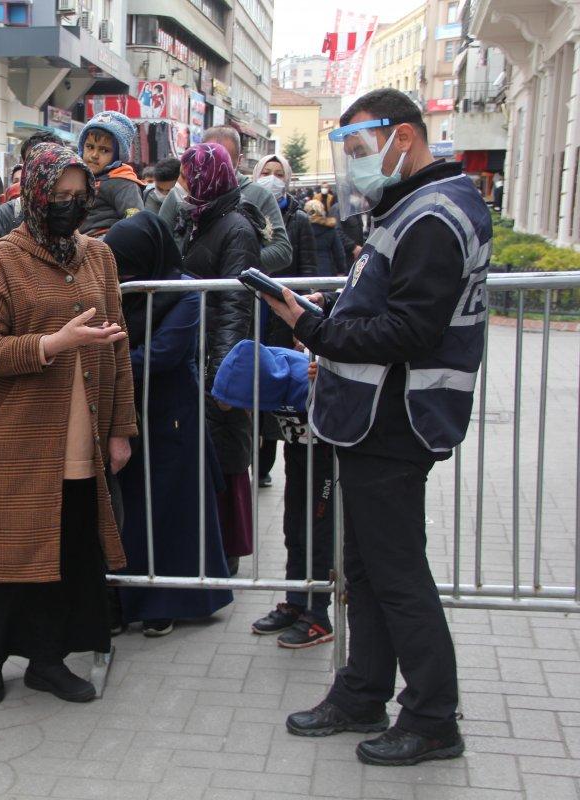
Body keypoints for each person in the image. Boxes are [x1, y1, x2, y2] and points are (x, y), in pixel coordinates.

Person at [268, 88, 488, 766]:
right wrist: (329, 314)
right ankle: (363, 690)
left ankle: (431, 716)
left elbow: (413, 328)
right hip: (374, 420)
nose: (358, 164)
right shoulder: (412, 209)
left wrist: (312, 328)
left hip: (398, 421)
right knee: (364, 566)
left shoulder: (434, 214)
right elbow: (384, 300)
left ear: (406, 136)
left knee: (395, 572)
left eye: (363, 148)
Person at [0, 142, 136, 704]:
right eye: (60, 195)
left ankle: (47, 660)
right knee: (7, 551)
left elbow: (120, 349)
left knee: (66, 550)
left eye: (80, 196)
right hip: (17, 435)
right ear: (35, 193)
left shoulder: (99, 257)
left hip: (83, 430)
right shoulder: (4, 258)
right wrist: (55, 344)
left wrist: (120, 428)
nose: (70, 205)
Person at [105, 213, 232, 637]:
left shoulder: (184, 293)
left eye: (127, 263)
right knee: (133, 512)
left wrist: (104, 361)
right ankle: (126, 598)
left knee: (172, 510)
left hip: (173, 413)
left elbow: (164, 354)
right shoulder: (117, 290)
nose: (121, 273)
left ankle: (169, 601)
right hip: (128, 413)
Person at [213, 340, 336, 650]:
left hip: (329, 461)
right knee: (293, 528)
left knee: (317, 534)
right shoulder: (259, 373)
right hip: (298, 453)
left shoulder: (302, 379)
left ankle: (319, 615)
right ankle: (296, 601)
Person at [174, 142, 258, 575]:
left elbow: (234, 306)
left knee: (224, 455)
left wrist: (223, 375)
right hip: (197, 353)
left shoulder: (236, 228)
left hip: (218, 360)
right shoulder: (199, 220)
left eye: (190, 177)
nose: (184, 186)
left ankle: (226, 554)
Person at [252, 153, 318, 486]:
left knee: (276, 389)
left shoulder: (299, 219)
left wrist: (302, 322)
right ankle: (247, 460)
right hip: (253, 313)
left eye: (279, 173)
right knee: (249, 384)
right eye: (267, 172)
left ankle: (264, 466)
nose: (273, 178)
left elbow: (307, 271)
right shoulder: (247, 210)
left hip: (283, 316)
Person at [158, 125, 293, 275]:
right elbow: (159, 241)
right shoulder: (182, 192)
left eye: (223, 160)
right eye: (208, 159)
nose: (214, 167)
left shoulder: (259, 196)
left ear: (238, 161)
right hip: (184, 288)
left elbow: (282, 251)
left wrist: (236, 261)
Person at [76, 110, 145, 236]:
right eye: (90, 147)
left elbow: (135, 221)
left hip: (104, 243)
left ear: (118, 155)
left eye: (104, 150)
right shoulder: (79, 176)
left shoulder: (123, 182)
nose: (94, 155)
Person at [0, 130, 64, 242]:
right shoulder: (5, 214)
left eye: (50, 161)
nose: (42, 169)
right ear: (24, 166)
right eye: (34, 161)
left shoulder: (74, 207)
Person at [306, 199, 347, 277]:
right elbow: (339, 253)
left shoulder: (302, 229)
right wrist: (341, 271)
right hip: (326, 271)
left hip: (306, 273)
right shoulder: (330, 229)